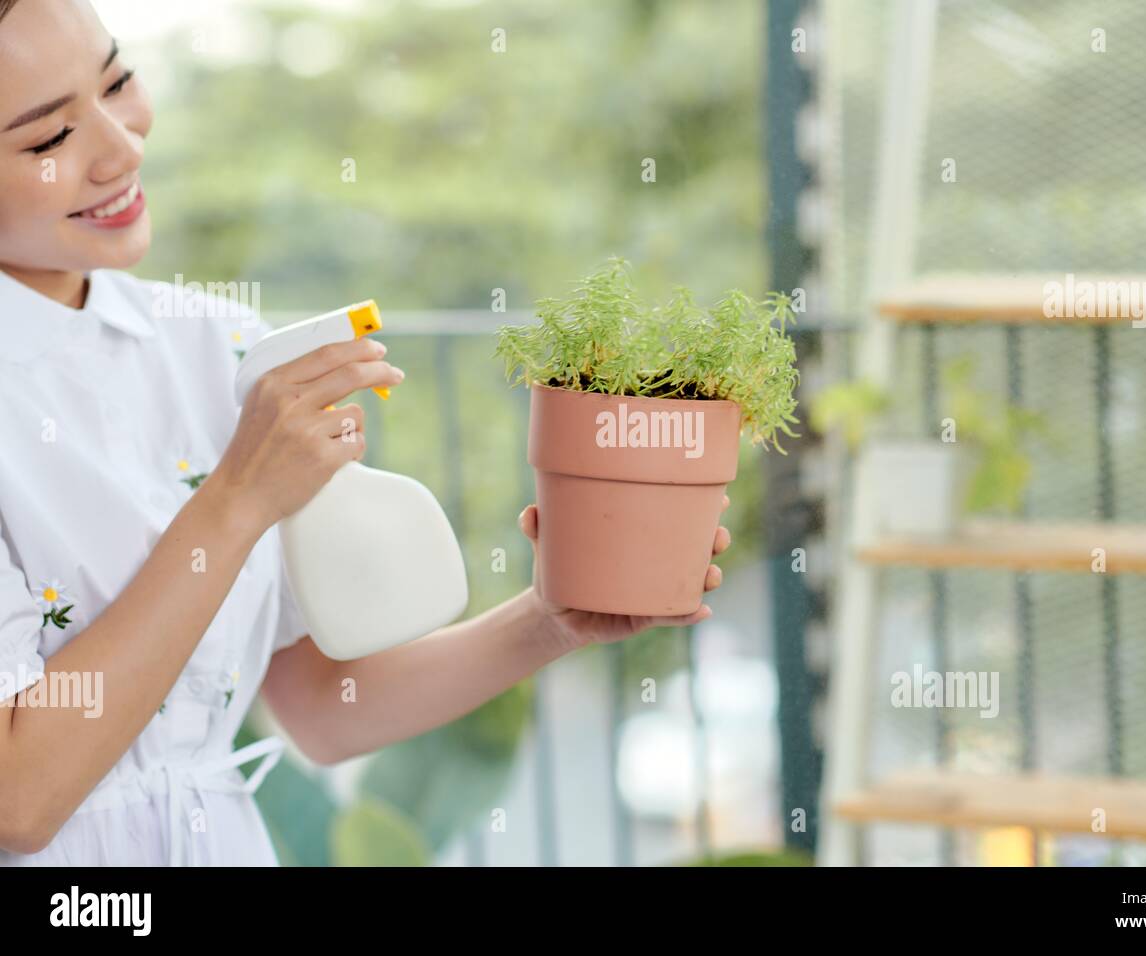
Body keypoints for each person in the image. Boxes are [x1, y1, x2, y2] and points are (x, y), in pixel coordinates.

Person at [0, 0, 729, 865]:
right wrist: (239, 495)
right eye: (47, 139)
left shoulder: (218, 348)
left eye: (117, 81)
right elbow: (20, 798)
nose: (122, 148)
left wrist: (554, 618)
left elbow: (321, 704)